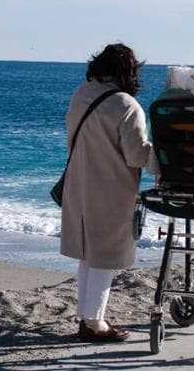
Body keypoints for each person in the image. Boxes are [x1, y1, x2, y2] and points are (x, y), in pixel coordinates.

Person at [60, 43, 152, 342]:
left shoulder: (80, 94)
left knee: (88, 253)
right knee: (104, 257)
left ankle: (87, 318)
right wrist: (165, 159)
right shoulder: (125, 105)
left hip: (78, 182)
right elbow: (136, 156)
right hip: (110, 188)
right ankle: (94, 322)